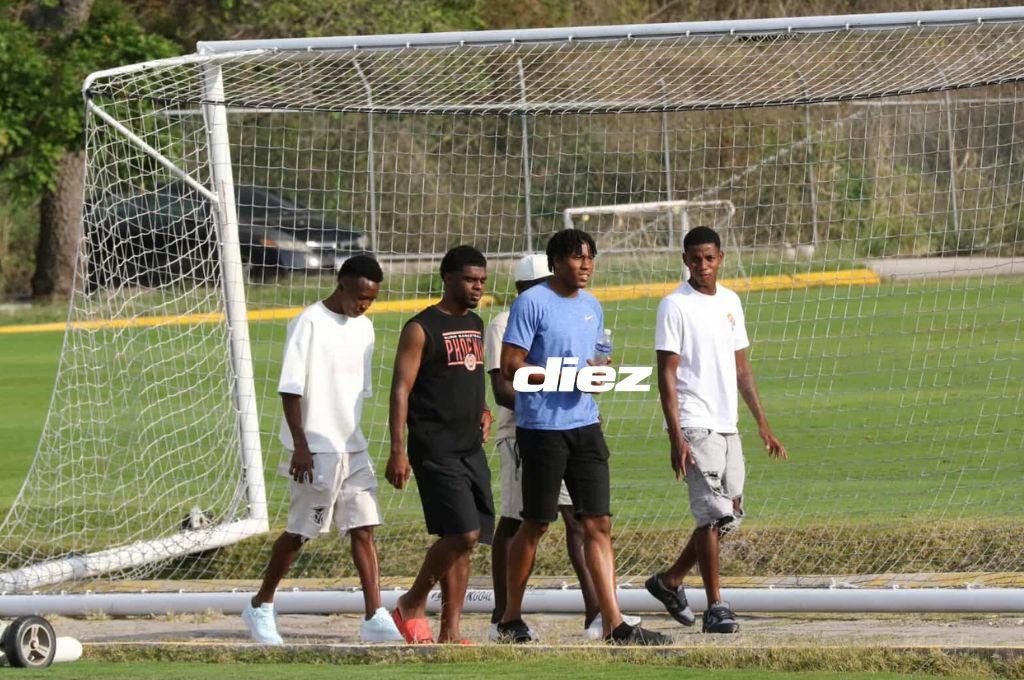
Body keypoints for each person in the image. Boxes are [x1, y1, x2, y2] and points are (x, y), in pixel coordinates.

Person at [496, 230, 670, 646]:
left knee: (599, 523)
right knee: (535, 524)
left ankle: (614, 624)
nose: (586, 265)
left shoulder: (593, 307)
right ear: (556, 262)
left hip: (585, 426)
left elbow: (592, 366)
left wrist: (598, 373)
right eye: (577, 258)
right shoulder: (530, 303)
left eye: (591, 258)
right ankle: (509, 619)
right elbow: (510, 368)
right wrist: (564, 376)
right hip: (540, 430)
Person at [242, 255, 403, 645]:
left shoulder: (365, 328)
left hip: (353, 445)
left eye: (372, 299)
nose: (364, 305)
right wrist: (301, 446)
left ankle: (373, 615)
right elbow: (290, 389)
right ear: (341, 284)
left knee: (364, 528)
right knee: (301, 532)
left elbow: (355, 392)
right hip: (314, 449)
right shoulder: (308, 322)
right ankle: (260, 605)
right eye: (360, 296)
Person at [646, 226, 788, 634]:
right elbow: (666, 376)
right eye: (695, 259)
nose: (702, 266)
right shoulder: (673, 305)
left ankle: (669, 581)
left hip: (728, 425)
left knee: (730, 515)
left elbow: (742, 368)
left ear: (721, 258)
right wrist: (676, 436)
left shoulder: (730, 302)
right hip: (694, 421)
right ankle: (716, 607)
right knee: (712, 516)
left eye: (709, 258)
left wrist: (763, 424)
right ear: (685, 261)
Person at [386, 245, 495, 644]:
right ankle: (412, 601)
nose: (477, 287)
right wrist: (398, 449)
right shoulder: (421, 328)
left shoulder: (478, 324)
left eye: (482, 281)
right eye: (470, 280)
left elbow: (465, 378)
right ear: (446, 278)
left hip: (471, 448)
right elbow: (401, 390)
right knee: (462, 534)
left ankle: (451, 633)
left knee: (468, 542)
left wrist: (481, 407)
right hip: (434, 447)